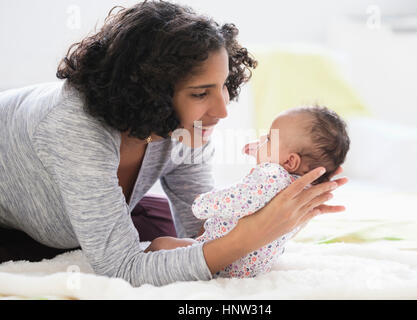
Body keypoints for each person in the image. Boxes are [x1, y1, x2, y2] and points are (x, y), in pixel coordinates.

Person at [0, 0, 347, 287]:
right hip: (10, 223)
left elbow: (201, 228)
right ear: (149, 93)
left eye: (224, 85)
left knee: (168, 240)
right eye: (200, 93)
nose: (223, 110)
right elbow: (122, 270)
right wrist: (251, 235)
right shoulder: (75, 128)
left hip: (68, 220)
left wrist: (285, 208)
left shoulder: (185, 128)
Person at [147, 106, 350, 278]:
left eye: (270, 137)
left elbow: (241, 198)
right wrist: (262, 151)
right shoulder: (303, 190)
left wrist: (203, 204)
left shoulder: (272, 175)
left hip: (223, 255)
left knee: (160, 244)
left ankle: (141, 268)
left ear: (290, 161)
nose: (263, 138)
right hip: (251, 264)